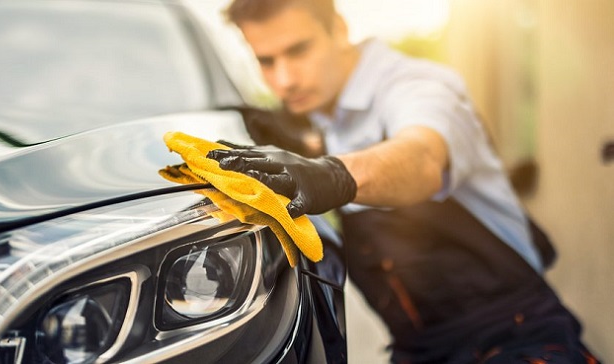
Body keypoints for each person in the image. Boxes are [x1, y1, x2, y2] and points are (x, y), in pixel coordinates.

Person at [206, 0, 600, 363]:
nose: (285, 79)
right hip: (419, 350)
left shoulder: (418, 85)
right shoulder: (322, 117)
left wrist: (332, 174)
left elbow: (423, 157)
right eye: (266, 61)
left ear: (338, 29)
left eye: (298, 50)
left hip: (516, 337)